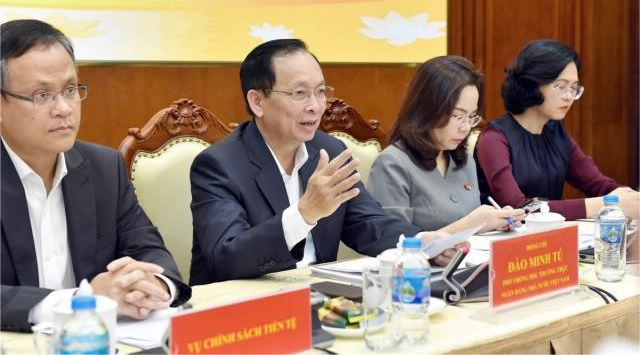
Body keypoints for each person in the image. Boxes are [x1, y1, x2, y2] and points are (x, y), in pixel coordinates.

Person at [189, 39, 460, 284]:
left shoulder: (328, 150)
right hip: (242, 312)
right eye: (299, 94)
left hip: (319, 301)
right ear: (258, 101)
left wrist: (421, 243)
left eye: (320, 91)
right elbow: (227, 258)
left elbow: (367, 222)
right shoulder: (218, 165)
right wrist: (305, 213)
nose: (316, 106)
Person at [0, 19, 191, 332]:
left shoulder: (104, 168)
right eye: (42, 95)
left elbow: (151, 252)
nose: (63, 108)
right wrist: (83, 300)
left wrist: (151, 284)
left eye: (71, 90)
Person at [475, 39, 639, 221]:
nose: (569, 96)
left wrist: (628, 198)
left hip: (551, 239)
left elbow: (598, 184)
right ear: (532, 83)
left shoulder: (556, 132)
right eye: (561, 86)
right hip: (500, 243)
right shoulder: (494, 138)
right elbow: (518, 208)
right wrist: (603, 205)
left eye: (574, 88)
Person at [367, 56, 524, 233]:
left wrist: (495, 223)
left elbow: (472, 232)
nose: (466, 128)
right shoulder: (392, 163)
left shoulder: (464, 160)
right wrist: (474, 223)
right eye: (457, 116)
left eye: (471, 117)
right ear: (427, 109)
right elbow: (393, 242)